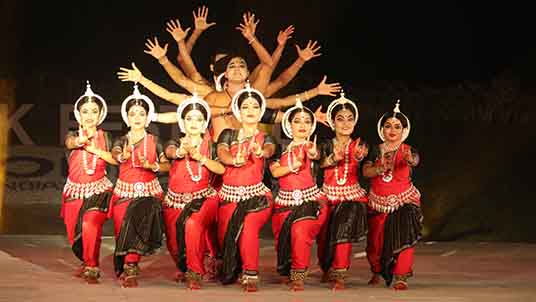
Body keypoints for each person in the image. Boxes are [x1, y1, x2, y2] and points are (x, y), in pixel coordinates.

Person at [109, 85, 170, 288]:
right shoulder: (121, 140)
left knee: (136, 221)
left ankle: (131, 268)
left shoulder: (155, 141)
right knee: (122, 231)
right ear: (127, 117)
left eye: (141, 114)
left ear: (147, 117)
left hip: (149, 193)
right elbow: (115, 154)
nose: (137, 117)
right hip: (123, 193)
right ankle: (125, 264)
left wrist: (152, 165)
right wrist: (122, 156)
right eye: (133, 113)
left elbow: (167, 165)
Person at [216, 85, 275, 292]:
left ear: (260, 112)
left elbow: (269, 150)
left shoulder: (265, 138)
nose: (250, 110)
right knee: (227, 235)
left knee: (248, 226)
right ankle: (236, 267)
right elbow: (221, 153)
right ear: (238, 112)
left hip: (257, 196)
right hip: (229, 196)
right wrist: (234, 160)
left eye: (255, 106)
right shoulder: (227, 134)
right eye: (246, 107)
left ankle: (251, 274)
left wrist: (261, 151)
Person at [162, 95, 224, 289]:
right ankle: (186, 265)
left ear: (205, 122)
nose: (194, 123)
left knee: (192, 224)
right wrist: (180, 152)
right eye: (189, 118)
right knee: (173, 241)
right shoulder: (174, 142)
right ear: (182, 122)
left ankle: (195, 272)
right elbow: (170, 152)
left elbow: (221, 169)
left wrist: (201, 158)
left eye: (198, 119)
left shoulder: (212, 146)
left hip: (204, 198)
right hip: (175, 200)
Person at [362, 100, 423, 290]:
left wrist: (409, 159)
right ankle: (377, 271)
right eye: (388, 126)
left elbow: (415, 161)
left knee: (404, 237)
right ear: (382, 128)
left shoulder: (408, 150)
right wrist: (380, 168)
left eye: (397, 126)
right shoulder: (375, 150)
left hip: (405, 202)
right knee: (375, 244)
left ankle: (401, 276)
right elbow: (365, 172)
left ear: (404, 130)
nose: (392, 130)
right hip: (378, 203)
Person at [270, 100, 328, 291]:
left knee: (299, 231)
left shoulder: (312, 146)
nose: (302, 125)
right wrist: (291, 166)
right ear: (289, 124)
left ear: (312, 126)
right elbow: (275, 172)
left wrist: (312, 151)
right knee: (283, 238)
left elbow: (316, 155)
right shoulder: (280, 148)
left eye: (306, 121)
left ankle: (298, 274)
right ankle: (287, 271)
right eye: (297, 121)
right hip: (284, 203)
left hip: (310, 202)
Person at [62, 82, 116, 284]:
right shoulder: (73, 135)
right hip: (74, 192)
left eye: (94, 111)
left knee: (90, 222)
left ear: (100, 113)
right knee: (73, 233)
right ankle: (86, 260)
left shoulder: (107, 137)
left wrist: (95, 149)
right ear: (78, 114)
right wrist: (79, 142)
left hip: (99, 190)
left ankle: (92, 267)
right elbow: (69, 144)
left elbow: (114, 159)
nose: (90, 115)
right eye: (85, 111)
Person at [318, 92, 368, 290]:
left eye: (350, 119)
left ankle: (340, 273)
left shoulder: (360, 144)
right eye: (340, 119)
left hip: (352, 196)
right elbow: (319, 163)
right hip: (327, 195)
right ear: (332, 122)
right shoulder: (324, 144)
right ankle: (327, 267)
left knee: (343, 229)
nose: (345, 123)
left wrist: (359, 156)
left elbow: (363, 159)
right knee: (324, 238)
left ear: (355, 123)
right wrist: (331, 160)